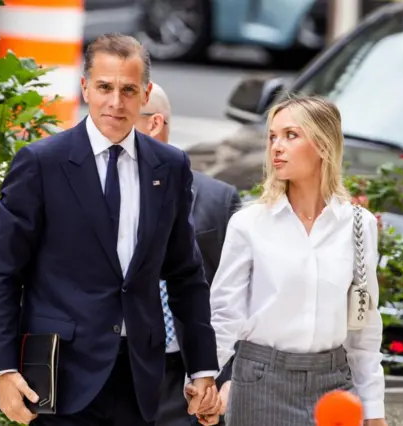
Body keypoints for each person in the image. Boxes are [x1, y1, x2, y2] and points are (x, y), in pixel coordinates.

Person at [0, 33, 220, 426]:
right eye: (105, 87)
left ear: (145, 96)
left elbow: (185, 275)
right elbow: (3, 274)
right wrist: (3, 369)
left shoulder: (170, 166)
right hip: (58, 377)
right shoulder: (41, 164)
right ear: (86, 87)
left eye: (128, 90)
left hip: (138, 377)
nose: (115, 102)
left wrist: (203, 368)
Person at [209, 96, 387, 426]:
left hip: (334, 387)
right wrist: (205, 380)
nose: (276, 146)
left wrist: (374, 409)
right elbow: (225, 315)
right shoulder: (249, 224)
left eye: (291, 135)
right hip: (262, 383)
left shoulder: (359, 226)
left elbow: (364, 329)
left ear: (323, 144)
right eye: (272, 136)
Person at [134, 82, 242, 426]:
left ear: (155, 123)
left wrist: (227, 379)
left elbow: (239, 296)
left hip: (187, 374)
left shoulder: (216, 199)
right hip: (116, 368)